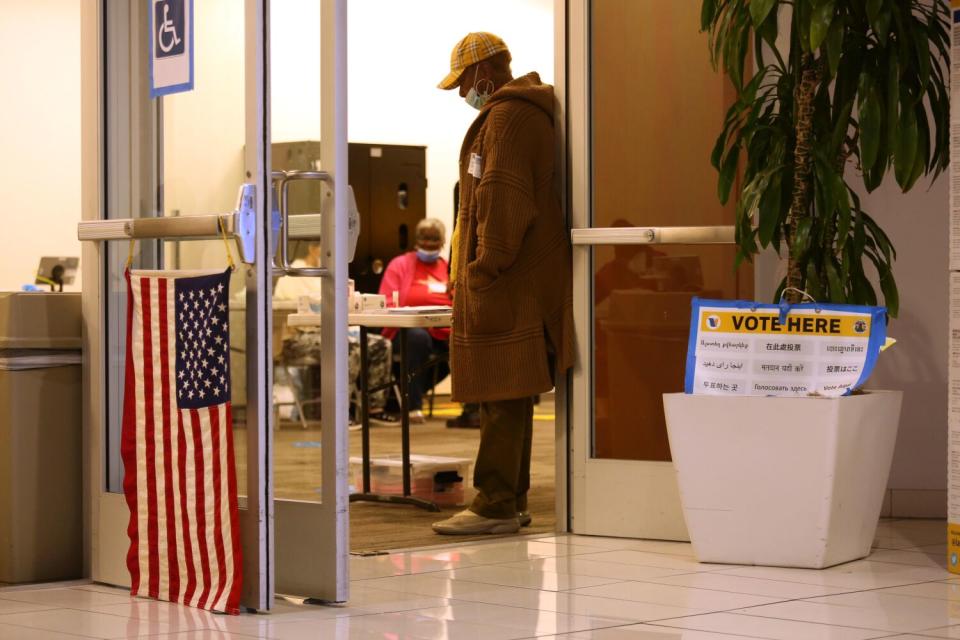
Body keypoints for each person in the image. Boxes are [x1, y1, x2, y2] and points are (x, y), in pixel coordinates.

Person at [432, 33, 574, 535]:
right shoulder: (520, 114)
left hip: (505, 280)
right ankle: (508, 499)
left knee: (500, 389)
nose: (460, 93)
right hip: (513, 280)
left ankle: (494, 504)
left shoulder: (508, 118)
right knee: (510, 388)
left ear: (485, 73)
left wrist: (482, 266)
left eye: (463, 82)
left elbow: (503, 199)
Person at [275, 242, 393, 421]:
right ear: (313, 249)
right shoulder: (292, 276)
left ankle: (374, 408)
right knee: (348, 347)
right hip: (297, 338)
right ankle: (341, 412)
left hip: (334, 331)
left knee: (381, 344)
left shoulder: (331, 275)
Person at [378, 218, 453, 424]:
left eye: (435, 239)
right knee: (418, 338)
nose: (429, 243)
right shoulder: (400, 265)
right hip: (406, 331)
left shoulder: (447, 268)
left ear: (443, 241)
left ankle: (473, 408)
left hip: (442, 331)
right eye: (425, 238)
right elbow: (386, 302)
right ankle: (412, 407)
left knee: (461, 344)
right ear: (416, 240)